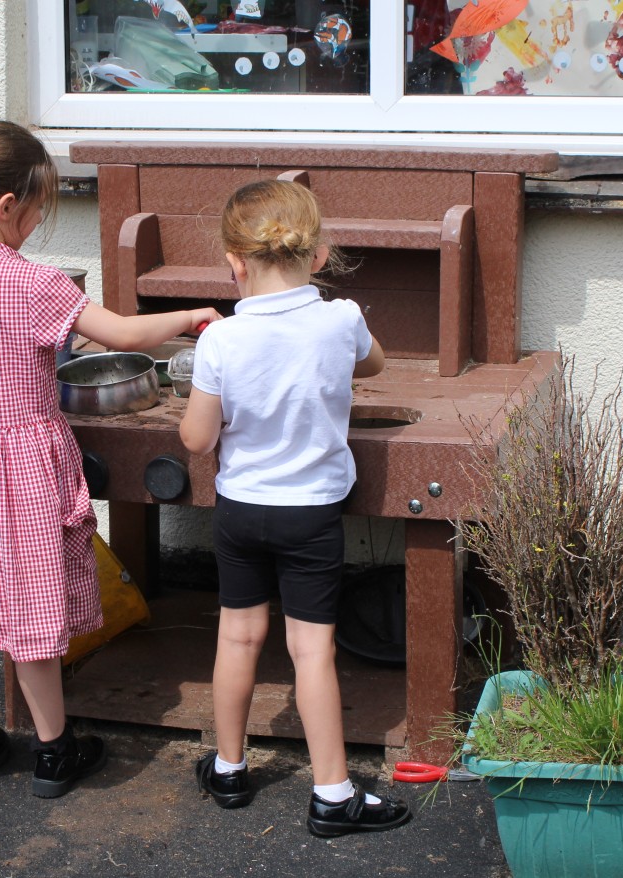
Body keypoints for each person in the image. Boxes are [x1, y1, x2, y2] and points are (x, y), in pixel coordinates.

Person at [0, 120, 219, 798]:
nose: (39, 223)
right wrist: (190, 317)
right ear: (8, 206)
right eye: (39, 210)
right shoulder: (31, 284)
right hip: (24, 467)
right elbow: (123, 333)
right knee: (29, 604)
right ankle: (53, 749)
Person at [178, 179, 408, 838]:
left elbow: (198, 438)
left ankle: (227, 767)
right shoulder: (341, 319)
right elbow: (374, 364)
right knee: (310, 651)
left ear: (234, 262)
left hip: (242, 510)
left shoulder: (221, 340)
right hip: (310, 515)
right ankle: (333, 794)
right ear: (319, 254)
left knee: (237, 637)